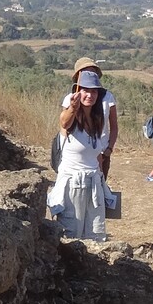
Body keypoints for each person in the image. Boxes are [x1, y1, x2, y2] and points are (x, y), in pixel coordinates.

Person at [52, 70, 112, 240]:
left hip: (94, 181)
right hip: (73, 182)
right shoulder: (71, 117)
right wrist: (73, 107)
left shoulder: (97, 119)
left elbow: (96, 154)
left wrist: (102, 181)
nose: (90, 95)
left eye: (94, 91)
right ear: (78, 92)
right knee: (71, 233)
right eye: (86, 90)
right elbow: (64, 122)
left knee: (96, 233)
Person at [64, 55, 118, 178]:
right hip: (77, 158)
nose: (89, 74)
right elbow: (64, 126)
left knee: (100, 184)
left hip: (102, 151)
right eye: (85, 71)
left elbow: (114, 126)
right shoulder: (70, 99)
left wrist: (109, 149)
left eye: (92, 71)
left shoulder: (107, 97)